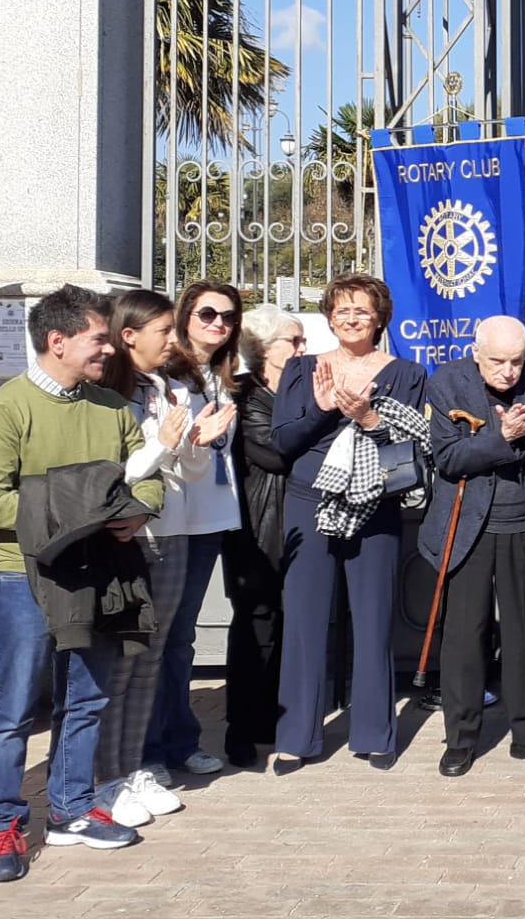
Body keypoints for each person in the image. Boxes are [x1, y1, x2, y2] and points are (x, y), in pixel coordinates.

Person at [0, 285, 160, 882]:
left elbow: (148, 478)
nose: (109, 347)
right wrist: (83, 510)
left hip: (101, 572)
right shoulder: (2, 410)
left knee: (89, 697)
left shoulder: (112, 407)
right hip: (21, 575)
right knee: (14, 708)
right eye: (99, 338)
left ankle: (73, 808)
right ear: (58, 341)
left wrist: (138, 511)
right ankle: (1, 824)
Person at [271, 274, 429, 770]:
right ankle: (297, 736)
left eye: (362, 310)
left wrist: (368, 420)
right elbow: (282, 442)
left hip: (373, 505)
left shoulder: (406, 372)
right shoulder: (301, 370)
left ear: (380, 317)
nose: (351, 318)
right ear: (329, 316)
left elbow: (410, 451)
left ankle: (374, 733)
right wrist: (321, 410)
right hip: (308, 501)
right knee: (303, 622)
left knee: (373, 620)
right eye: (342, 309)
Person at [92, 290, 235, 828]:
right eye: (163, 331)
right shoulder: (107, 395)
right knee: (123, 660)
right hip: (130, 536)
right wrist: (166, 447)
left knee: (153, 655)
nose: (173, 341)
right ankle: (111, 774)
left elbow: (188, 473)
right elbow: (117, 474)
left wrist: (197, 441)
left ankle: (133, 769)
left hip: (173, 531)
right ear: (128, 335)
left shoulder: (169, 386)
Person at [425, 316, 525, 774]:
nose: (508, 371)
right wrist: (502, 437)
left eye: (516, 361)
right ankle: (461, 739)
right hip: (468, 525)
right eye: (498, 362)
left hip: (524, 523)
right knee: (466, 636)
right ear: (475, 352)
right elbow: (448, 459)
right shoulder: (447, 383)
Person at [143, 281, 246, 781]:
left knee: (181, 638)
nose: (218, 324)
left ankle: (179, 742)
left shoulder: (226, 375)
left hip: (210, 517)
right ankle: (150, 749)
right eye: (207, 314)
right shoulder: (164, 376)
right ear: (184, 316)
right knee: (158, 639)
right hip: (169, 519)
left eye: (227, 317)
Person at [224, 303, 303, 769]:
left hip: (299, 518)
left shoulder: (301, 389)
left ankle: (281, 713)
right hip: (257, 522)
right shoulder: (245, 395)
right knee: (256, 621)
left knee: (292, 622)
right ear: (263, 348)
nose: (302, 347)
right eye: (292, 341)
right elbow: (276, 453)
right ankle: (242, 724)